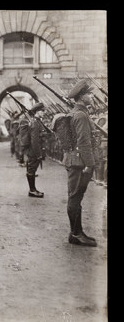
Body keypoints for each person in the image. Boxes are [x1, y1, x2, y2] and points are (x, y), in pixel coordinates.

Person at [63, 80, 99, 247]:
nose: (91, 96)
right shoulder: (81, 115)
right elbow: (84, 142)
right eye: (89, 94)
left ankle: (77, 232)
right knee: (75, 197)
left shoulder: (77, 113)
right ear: (81, 97)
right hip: (80, 163)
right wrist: (90, 164)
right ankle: (76, 234)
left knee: (76, 197)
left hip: (75, 160)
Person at [19, 103, 45, 198]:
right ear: (37, 112)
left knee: (32, 169)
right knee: (31, 170)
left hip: (33, 150)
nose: (43, 113)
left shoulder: (36, 121)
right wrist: (38, 154)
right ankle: (32, 190)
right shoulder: (35, 123)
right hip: (34, 150)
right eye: (42, 111)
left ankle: (33, 189)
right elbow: (35, 140)